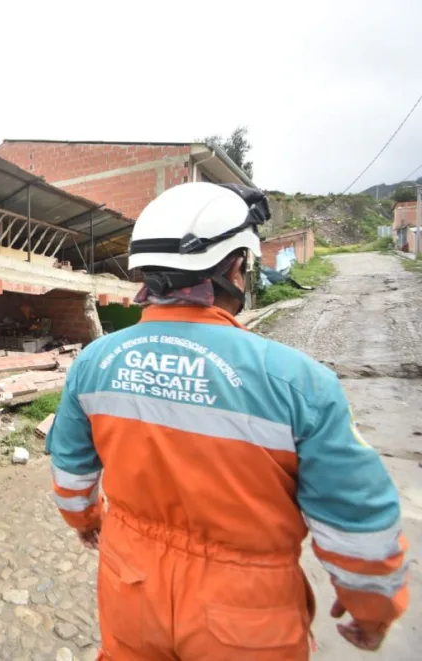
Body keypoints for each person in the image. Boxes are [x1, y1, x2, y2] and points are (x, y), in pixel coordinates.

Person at [46, 182, 408, 660]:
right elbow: (357, 519)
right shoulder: (300, 383)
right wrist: (371, 608)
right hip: (246, 616)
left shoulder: (95, 363)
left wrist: (87, 519)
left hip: (129, 586)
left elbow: (71, 470)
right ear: (237, 266)